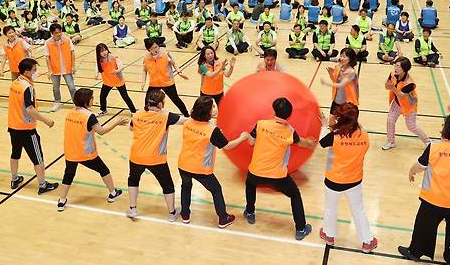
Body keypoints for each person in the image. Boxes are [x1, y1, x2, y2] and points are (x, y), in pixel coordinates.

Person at [398, 114, 450, 265]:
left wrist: (411, 172)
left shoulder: (435, 147)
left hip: (433, 199)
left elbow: (420, 166)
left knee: (423, 228)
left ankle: (415, 252)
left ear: (446, 130)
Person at [243, 98, 317, 240]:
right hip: (277, 176)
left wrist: (249, 136)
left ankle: (250, 212)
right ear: (289, 115)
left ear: (274, 110)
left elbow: (251, 142)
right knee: (295, 195)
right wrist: (309, 143)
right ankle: (301, 229)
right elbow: (301, 143)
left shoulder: (260, 124)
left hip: (256, 171)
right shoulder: (289, 131)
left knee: (250, 183)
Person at [178, 96, 249, 227]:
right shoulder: (212, 131)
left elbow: (200, 133)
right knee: (216, 190)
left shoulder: (188, 123)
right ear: (207, 111)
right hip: (200, 168)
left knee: (186, 188)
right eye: (213, 106)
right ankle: (223, 218)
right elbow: (227, 146)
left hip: (183, 164)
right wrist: (242, 138)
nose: (216, 108)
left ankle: (185, 215)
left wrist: (216, 133)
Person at [318, 102, 377, 253]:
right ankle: (367, 241)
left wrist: (325, 125)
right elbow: (353, 131)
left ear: (340, 119)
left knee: (330, 209)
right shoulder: (365, 136)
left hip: (333, 181)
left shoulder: (334, 137)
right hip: (354, 181)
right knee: (358, 210)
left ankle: (329, 236)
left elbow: (322, 142)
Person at [57, 88, 129, 211]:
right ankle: (113, 193)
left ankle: (61, 201)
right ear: (86, 101)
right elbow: (101, 131)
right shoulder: (89, 116)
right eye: (92, 98)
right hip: (85, 152)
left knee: (68, 175)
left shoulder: (70, 113)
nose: (93, 100)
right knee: (104, 170)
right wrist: (116, 123)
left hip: (70, 151)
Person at [126, 89, 188, 220]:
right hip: (156, 159)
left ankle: (132, 208)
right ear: (160, 104)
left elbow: (131, 128)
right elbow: (186, 121)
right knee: (167, 185)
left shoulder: (137, 114)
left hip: (136, 156)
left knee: (133, 179)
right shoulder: (166, 116)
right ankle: (172, 213)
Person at [8, 58, 59, 194]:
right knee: (38, 157)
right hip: (27, 129)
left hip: (13, 126)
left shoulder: (15, 83)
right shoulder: (28, 88)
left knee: (15, 153)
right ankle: (42, 185)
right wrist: (46, 120)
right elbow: (30, 110)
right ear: (27, 72)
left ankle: (14, 178)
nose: (36, 72)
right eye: (34, 70)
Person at [383, 57, 429, 150]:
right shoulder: (393, 74)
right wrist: (388, 86)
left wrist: (392, 88)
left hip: (409, 105)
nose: (395, 68)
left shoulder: (409, 83)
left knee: (411, 126)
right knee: (390, 120)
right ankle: (391, 142)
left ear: (405, 69)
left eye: (398, 67)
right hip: (397, 103)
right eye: (395, 65)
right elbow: (387, 86)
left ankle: (427, 141)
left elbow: (401, 95)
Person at [95, 43, 137, 116]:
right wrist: (96, 74)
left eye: (105, 50)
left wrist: (116, 71)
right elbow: (97, 67)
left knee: (125, 96)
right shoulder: (99, 60)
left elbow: (121, 66)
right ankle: (103, 110)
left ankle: (133, 111)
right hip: (107, 81)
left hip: (118, 80)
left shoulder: (113, 57)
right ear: (99, 53)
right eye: (102, 51)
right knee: (102, 96)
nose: (104, 52)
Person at [44, 23, 77, 112]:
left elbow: (72, 52)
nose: (59, 34)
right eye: (56, 32)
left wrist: (73, 66)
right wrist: (50, 70)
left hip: (67, 68)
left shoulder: (67, 40)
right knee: (55, 87)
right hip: (55, 69)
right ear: (52, 33)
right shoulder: (48, 43)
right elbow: (47, 57)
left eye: (60, 32)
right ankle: (57, 102)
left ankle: (76, 103)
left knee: (72, 87)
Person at [321, 48, 359, 113]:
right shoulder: (338, 67)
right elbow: (335, 81)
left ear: (350, 58)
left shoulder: (351, 72)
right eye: (341, 56)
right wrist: (330, 73)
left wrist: (326, 83)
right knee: (331, 119)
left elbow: (341, 85)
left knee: (349, 122)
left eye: (344, 57)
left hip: (347, 102)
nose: (342, 58)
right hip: (336, 100)